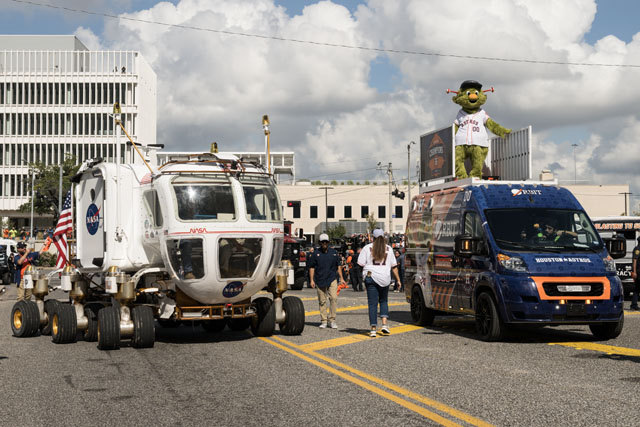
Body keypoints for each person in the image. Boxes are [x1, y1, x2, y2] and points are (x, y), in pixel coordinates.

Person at [358, 228, 402, 337]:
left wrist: (361, 279)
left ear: (373, 237)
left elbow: (360, 264)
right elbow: (394, 267)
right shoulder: (389, 249)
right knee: (383, 301)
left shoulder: (367, 248)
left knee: (372, 304)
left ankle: (373, 329)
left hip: (371, 276)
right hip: (384, 277)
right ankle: (384, 325)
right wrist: (398, 280)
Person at [308, 233, 345, 329]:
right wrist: (311, 280)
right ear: (320, 243)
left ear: (328, 242)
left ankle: (332, 320)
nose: (324, 243)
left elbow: (338, 266)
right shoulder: (315, 254)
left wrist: (341, 278)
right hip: (320, 279)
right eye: (322, 242)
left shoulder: (333, 253)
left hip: (332, 278)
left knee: (333, 298)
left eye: (326, 241)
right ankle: (324, 320)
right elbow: (311, 267)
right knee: (322, 301)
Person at [630, 236, 640, 310]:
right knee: (637, 289)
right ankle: (633, 305)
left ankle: (634, 304)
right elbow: (634, 261)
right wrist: (634, 272)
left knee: (637, 289)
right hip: (639, 272)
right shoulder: (637, 249)